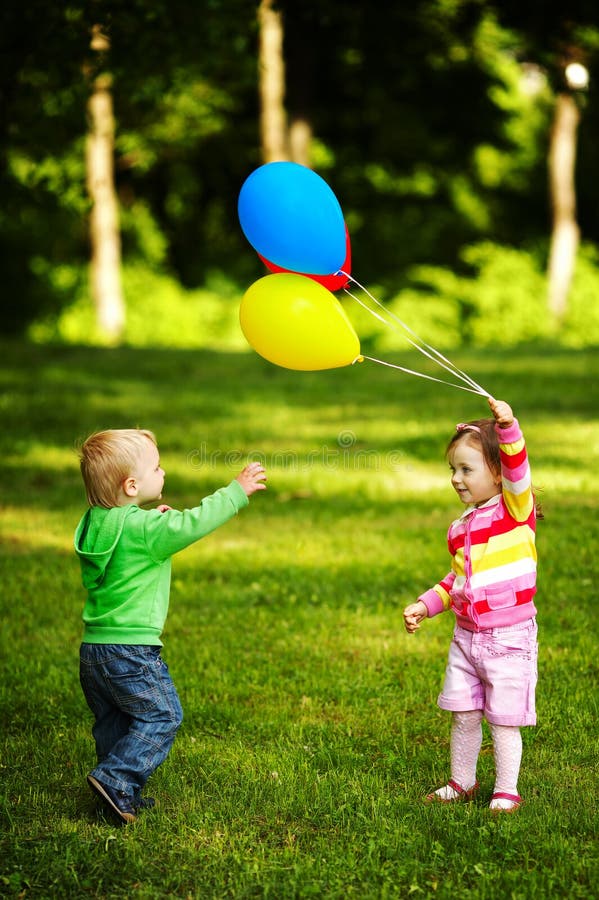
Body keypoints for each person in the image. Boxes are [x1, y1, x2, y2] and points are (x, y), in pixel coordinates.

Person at [75, 428, 266, 824]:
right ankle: (116, 777)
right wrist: (236, 491)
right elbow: (192, 524)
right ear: (131, 485)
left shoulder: (97, 524)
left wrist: (149, 520)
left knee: (114, 722)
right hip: (132, 651)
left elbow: (130, 533)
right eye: (156, 467)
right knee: (163, 716)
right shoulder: (146, 531)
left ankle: (116, 796)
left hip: (94, 650)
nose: (163, 473)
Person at [403, 398, 540, 813]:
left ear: (498, 475)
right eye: (453, 470)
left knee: (503, 718)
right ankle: (461, 781)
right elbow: (456, 580)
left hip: (508, 638)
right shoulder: (460, 526)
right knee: (463, 714)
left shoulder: (515, 511)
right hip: (466, 637)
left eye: (467, 469)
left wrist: (509, 429)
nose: (457, 479)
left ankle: (506, 790)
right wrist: (427, 605)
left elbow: (519, 471)